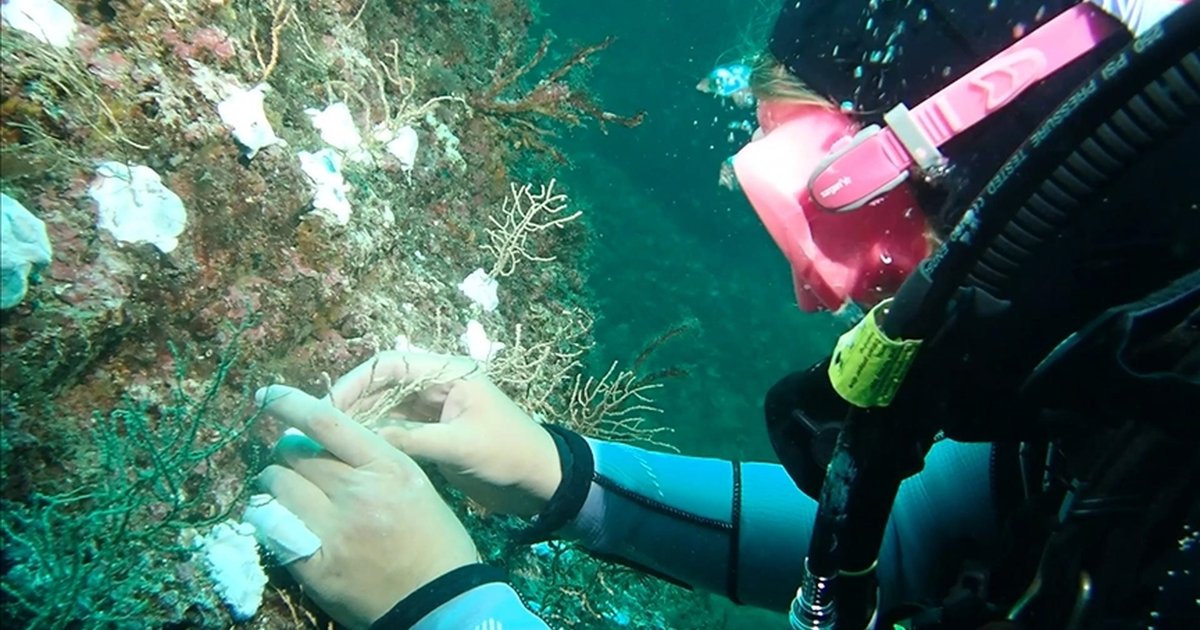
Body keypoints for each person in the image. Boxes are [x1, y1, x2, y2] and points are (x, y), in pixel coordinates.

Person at [251, 1, 1199, 629]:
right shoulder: (1128, 378)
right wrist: (560, 473)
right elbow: (922, 530)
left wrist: (444, 606)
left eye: (862, 234)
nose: (821, 294)